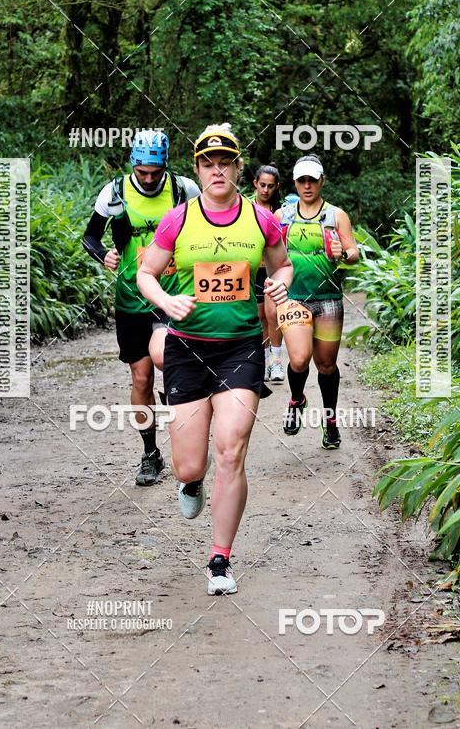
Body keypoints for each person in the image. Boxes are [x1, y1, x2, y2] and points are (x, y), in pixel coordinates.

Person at [137, 124, 292, 594]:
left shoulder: (261, 220)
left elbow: (282, 263)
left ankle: (219, 560)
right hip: (186, 348)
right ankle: (191, 482)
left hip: (240, 349)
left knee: (230, 449)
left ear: (239, 169)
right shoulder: (177, 220)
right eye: (208, 163)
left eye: (225, 162)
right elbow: (146, 274)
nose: (217, 170)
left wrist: (280, 284)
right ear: (198, 170)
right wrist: (166, 301)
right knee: (188, 466)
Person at [82, 129, 199, 486]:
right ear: (133, 163)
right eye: (142, 172)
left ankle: (188, 445)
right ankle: (151, 454)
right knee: (142, 377)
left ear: (166, 165)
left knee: (171, 366)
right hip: (131, 299)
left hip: (172, 295)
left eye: (155, 172)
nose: (148, 179)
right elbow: (90, 236)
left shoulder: (183, 190)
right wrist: (104, 255)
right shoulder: (115, 192)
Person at [275, 154, 359, 448]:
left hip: (328, 298)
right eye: (302, 180)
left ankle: (330, 421)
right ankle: (296, 399)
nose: (307, 185)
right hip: (293, 298)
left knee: (326, 365)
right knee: (299, 360)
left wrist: (342, 253)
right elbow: (268, 252)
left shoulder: (337, 215)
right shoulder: (282, 215)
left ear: (322, 181)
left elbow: (354, 254)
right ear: (295, 183)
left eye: (312, 180)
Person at [250, 165, 284, 382]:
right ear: (255, 183)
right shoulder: (246, 208)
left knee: (274, 314)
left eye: (270, 186)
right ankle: (264, 361)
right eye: (262, 185)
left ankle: (277, 361)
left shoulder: (281, 211)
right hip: (254, 271)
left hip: (274, 270)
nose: (265, 190)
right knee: (260, 316)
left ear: (276, 187)